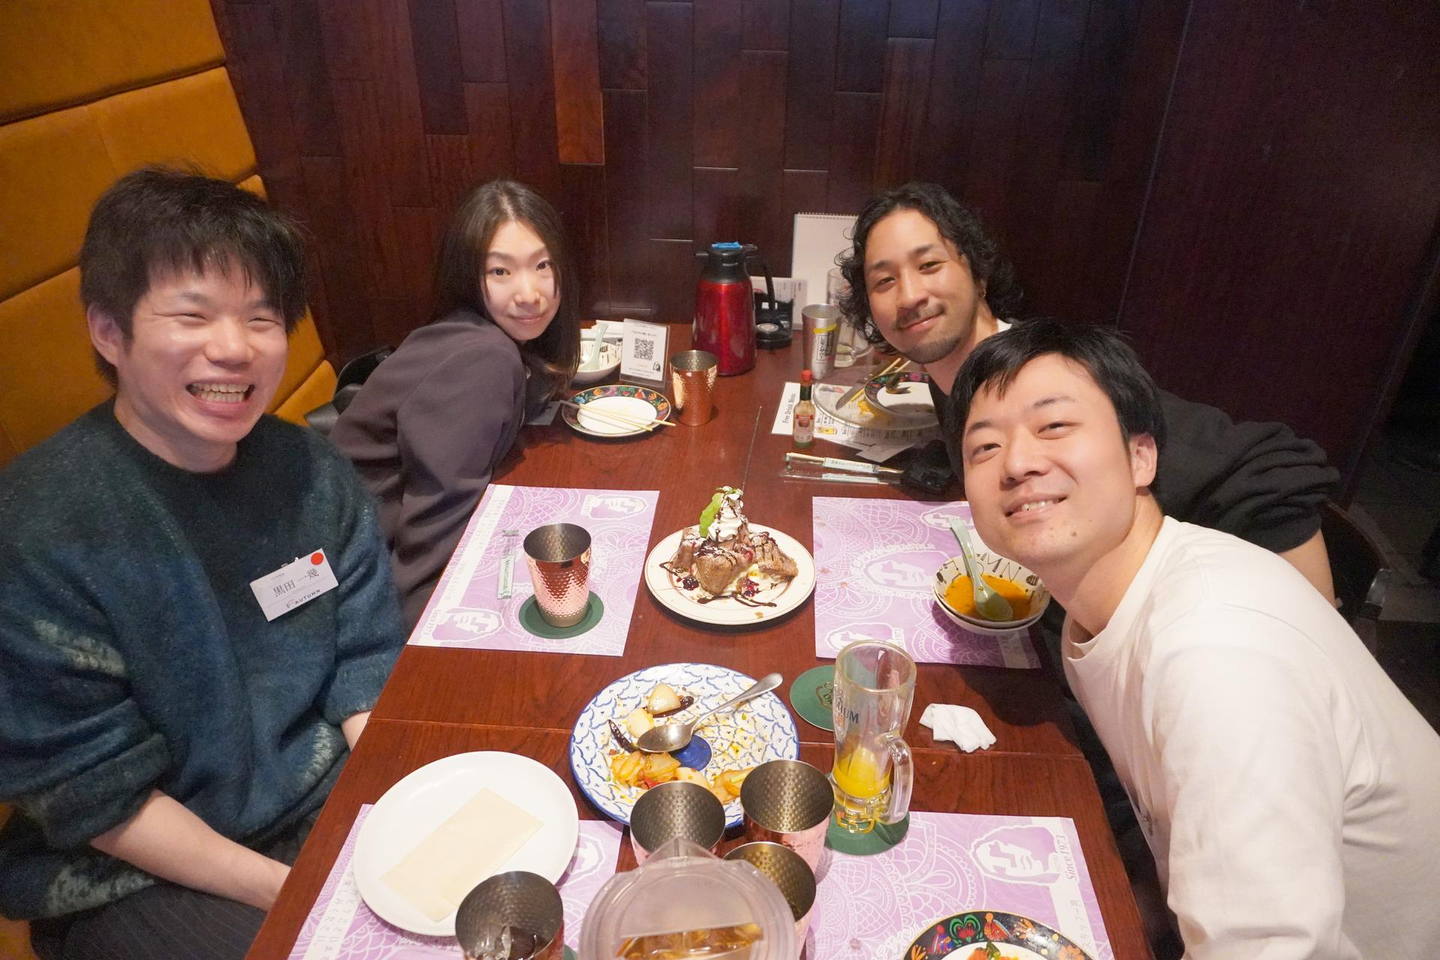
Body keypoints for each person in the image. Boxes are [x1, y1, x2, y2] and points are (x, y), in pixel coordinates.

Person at [0, 168, 406, 960]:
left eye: (261, 318)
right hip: (134, 874)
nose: (234, 347)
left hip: (319, 807)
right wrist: (302, 893)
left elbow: (363, 660)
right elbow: (96, 796)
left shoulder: (310, 472)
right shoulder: (40, 530)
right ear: (108, 331)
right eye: (192, 314)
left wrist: (399, 797)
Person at [951, 319, 1440, 958]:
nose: (1017, 463)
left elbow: (1268, 948)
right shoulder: (1099, 611)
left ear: (1141, 456)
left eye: (1055, 426)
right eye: (985, 447)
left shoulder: (1212, 651)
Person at [836, 182, 1340, 601]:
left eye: (929, 265)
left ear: (978, 274)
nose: (910, 295)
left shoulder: (1049, 376)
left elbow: (1267, 472)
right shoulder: (958, 383)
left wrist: (1303, 633)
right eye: (884, 281)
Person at [331, 180, 580, 626]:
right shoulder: (483, 358)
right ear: (468, 277)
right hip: (352, 584)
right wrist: (431, 649)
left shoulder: (473, 333)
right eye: (500, 272)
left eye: (542, 265)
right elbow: (433, 534)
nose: (529, 293)